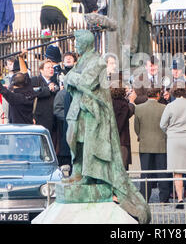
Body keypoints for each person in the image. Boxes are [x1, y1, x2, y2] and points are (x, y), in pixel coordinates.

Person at [63, 29, 150, 223]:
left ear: (86, 43)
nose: (75, 46)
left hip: (91, 112)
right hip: (79, 109)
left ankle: (86, 174)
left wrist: (70, 77)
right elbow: (74, 83)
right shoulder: (82, 60)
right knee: (73, 139)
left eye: (78, 42)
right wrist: (71, 78)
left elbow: (85, 81)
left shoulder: (97, 61)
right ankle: (77, 171)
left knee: (86, 143)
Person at [160, 84, 186, 209]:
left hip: (174, 141)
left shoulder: (170, 106)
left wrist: (170, 132)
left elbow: (162, 124)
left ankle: (180, 200)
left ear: (173, 92)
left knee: (177, 172)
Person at [134, 88, 170, 204]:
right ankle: (164, 198)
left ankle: (144, 198)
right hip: (161, 143)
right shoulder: (164, 108)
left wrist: (141, 136)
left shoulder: (138, 108)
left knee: (145, 173)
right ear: (158, 95)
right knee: (162, 172)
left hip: (145, 143)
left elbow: (136, 127)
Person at [0, 50, 36, 124]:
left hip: (17, 129)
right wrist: (20, 57)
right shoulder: (30, 90)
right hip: (29, 127)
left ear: (13, 84)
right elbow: (25, 73)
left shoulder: (15, 98)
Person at [31, 60, 60, 150]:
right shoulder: (35, 80)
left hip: (53, 117)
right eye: (48, 67)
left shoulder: (55, 81)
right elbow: (34, 93)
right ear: (41, 70)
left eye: (52, 67)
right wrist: (48, 89)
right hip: (40, 117)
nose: (51, 69)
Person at [111, 82, 136, 170]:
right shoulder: (123, 104)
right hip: (122, 142)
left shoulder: (109, 103)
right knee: (122, 170)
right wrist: (132, 102)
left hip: (110, 141)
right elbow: (125, 115)